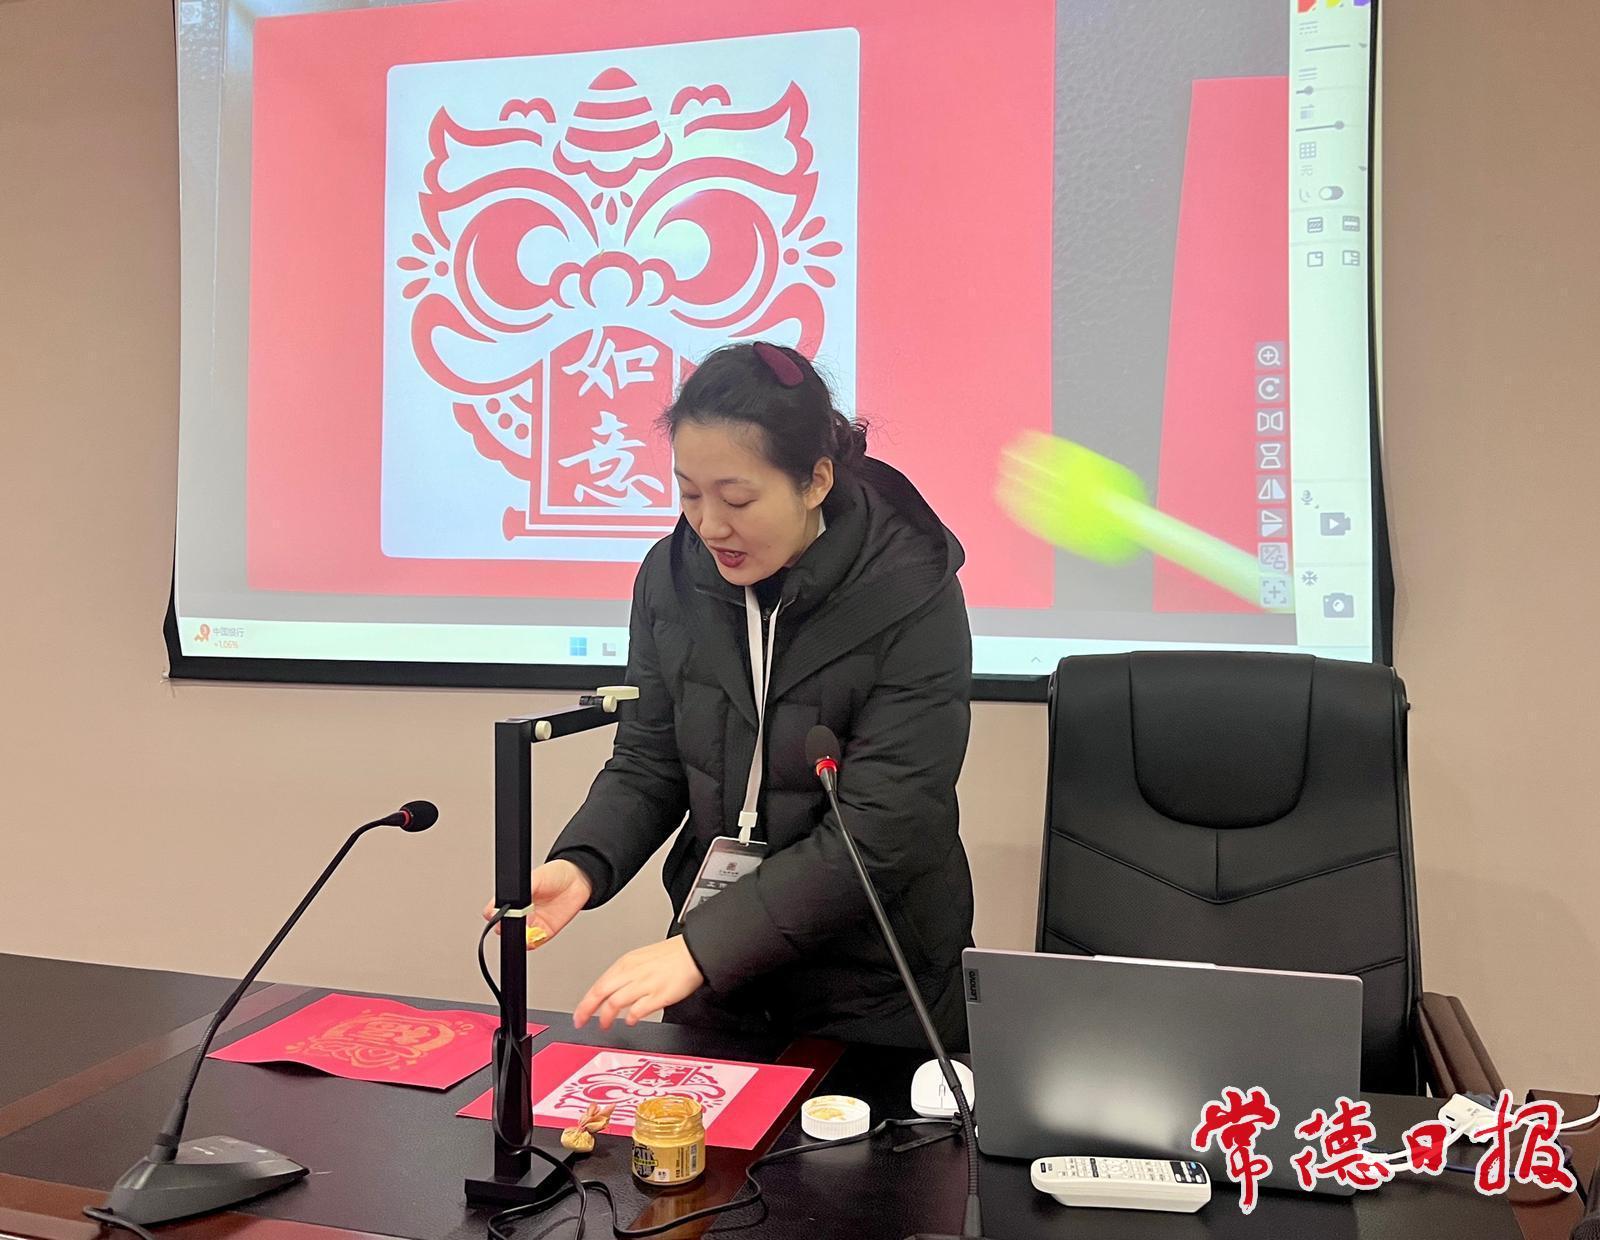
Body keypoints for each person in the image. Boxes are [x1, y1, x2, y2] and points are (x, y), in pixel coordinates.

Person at [489, 341, 975, 1050]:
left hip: (874, 983)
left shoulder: (910, 589)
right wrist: (584, 862)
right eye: (689, 494)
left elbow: (885, 825)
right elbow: (650, 758)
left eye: (737, 498)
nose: (710, 525)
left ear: (815, 481)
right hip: (724, 980)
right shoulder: (672, 578)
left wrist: (701, 949)